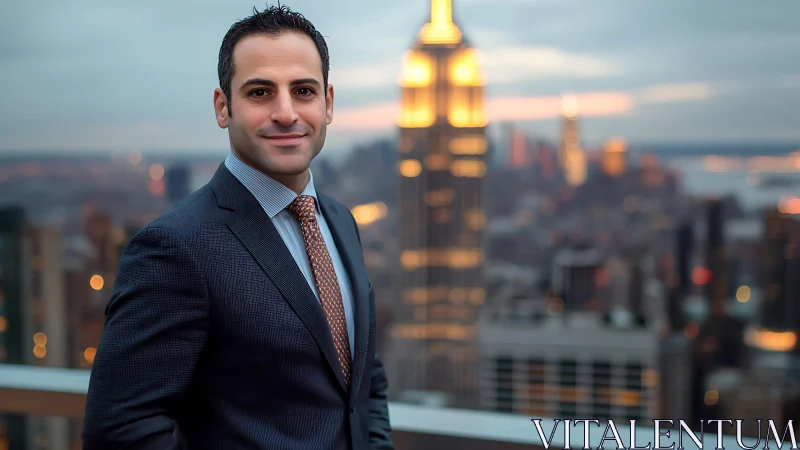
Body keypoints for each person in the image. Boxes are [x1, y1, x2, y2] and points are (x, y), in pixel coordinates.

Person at [82, 5, 394, 449]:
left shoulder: (340, 222)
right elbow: (119, 431)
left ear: (328, 104)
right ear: (223, 106)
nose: (286, 113)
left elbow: (365, 384)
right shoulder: (175, 248)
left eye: (303, 91)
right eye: (261, 93)